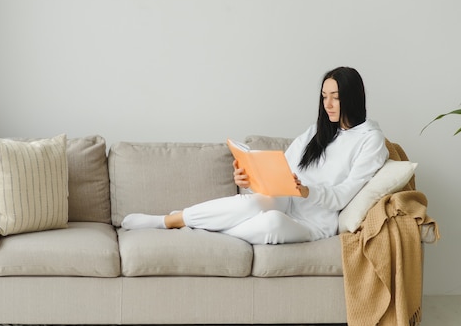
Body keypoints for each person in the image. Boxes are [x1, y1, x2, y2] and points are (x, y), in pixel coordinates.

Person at [122, 66, 389, 244]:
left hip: (316, 222)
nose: (327, 104)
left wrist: (307, 191)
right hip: (286, 201)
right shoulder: (316, 132)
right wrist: (251, 181)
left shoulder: (370, 140)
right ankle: (167, 220)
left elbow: (345, 194)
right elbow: (282, 170)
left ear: (352, 98)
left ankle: (199, 225)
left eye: (335, 97)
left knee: (271, 223)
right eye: (323, 97)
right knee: (252, 204)